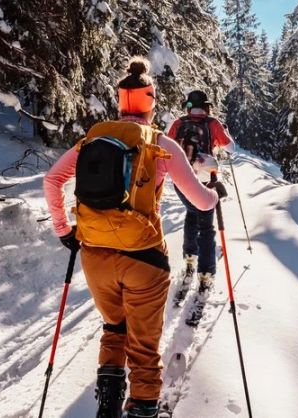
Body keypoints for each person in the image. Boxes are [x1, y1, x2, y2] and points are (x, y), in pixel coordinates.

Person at [43, 57, 222, 418]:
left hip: (95, 256)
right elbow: (201, 201)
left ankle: (107, 405)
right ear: (150, 102)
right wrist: (215, 191)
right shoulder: (159, 145)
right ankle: (142, 409)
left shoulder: (92, 139)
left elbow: (52, 180)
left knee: (114, 327)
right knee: (143, 346)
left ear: (120, 101)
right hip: (144, 259)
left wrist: (65, 230)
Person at [166, 90, 235, 295]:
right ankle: (206, 272)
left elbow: (168, 149)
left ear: (187, 105)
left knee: (191, 213)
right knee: (206, 224)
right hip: (206, 180)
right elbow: (231, 149)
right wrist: (224, 133)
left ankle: (190, 256)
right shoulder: (212, 123)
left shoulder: (178, 123)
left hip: (182, 180)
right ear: (206, 106)